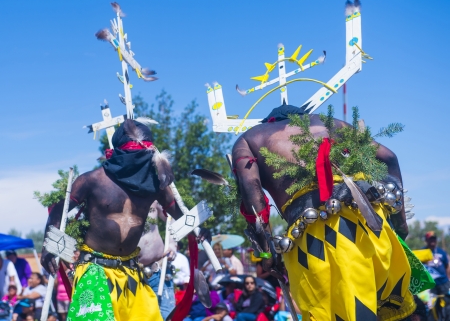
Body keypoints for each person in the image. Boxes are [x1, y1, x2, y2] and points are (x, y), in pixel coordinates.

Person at [231, 105, 415, 320]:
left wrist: (266, 253)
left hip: (316, 240)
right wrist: (400, 224)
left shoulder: (249, 139)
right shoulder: (332, 123)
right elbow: (389, 158)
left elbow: (252, 192)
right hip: (371, 226)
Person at [41, 120, 209, 321]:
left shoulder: (155, 186)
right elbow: (58, 211)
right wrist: (48, 246)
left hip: (131, 274)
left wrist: (200, 229)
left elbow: (182, 216)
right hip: (96, 272)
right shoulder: (93, 180)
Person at [138, 201, 177, 320]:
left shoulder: (153, 194)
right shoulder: (113, 191)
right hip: (126, 275)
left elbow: (172, 218)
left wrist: (172, 244)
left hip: (158, 273)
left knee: (166, 317)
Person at [423, 231, 450, 320]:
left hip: (443, 283)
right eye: (430, 239)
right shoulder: (422, 252)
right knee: (430, 306)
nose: (432, 241)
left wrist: (449, 279)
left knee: (446, 304)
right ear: (426, 240)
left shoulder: (441, 252)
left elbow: (447, 266)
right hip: (430, 285)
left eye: (434, 238)